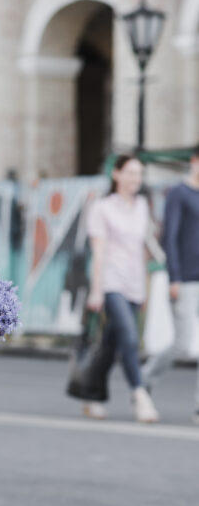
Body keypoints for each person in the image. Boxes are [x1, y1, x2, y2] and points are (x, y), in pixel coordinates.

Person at [84, 154, 161, 423]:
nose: (135, 179)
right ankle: (140, 396)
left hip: (136, 284)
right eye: (130, 173)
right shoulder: (102, 208)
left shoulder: (142, 205)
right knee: (129, 337)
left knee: (110, 343)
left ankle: (91, 394)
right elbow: (99, 252)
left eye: (139, 174)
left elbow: (145, 247)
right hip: (112, 283)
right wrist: (96, 290)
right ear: (116, 174)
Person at [143, 143, 199, 423]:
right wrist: (174, 276)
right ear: (194, 161)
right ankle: (143, 380)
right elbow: (170, 238)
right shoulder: (179, 193)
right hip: (185, 279)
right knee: (182, 343)